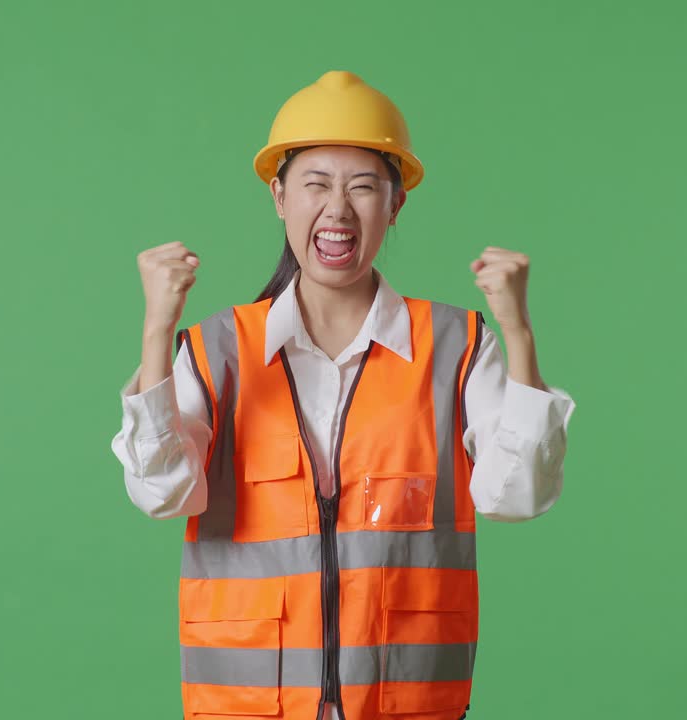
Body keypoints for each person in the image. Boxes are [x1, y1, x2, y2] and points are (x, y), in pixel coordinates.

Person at [111, 70, 576, 720]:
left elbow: (517, 496)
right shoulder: (218, 351)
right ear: (278, 195)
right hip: (246, 707)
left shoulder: (457, 347)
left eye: (364, 187)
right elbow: (161, 494)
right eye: (315, 184)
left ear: (395, 204)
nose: (338, 209)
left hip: (405, 705)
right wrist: (157, 333)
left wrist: (519, 333)